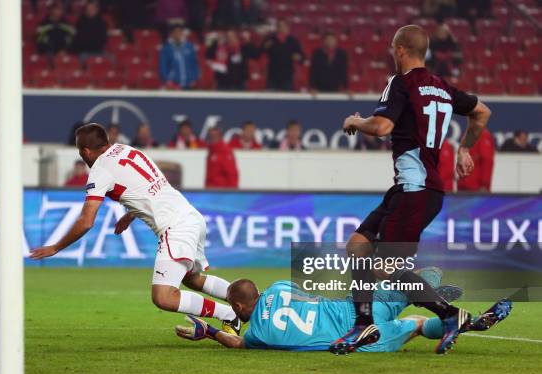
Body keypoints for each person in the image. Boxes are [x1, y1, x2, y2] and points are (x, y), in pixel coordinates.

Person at [339, 25, 492, 354]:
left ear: (400, 50)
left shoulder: (400, 82)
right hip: (412, 189)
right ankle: (364, 324)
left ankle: (449, 315)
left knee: (384, 269)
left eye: (392, 49)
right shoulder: (442, 88)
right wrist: (465, 148)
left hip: (415, 190)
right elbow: (481, 112)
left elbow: (381, 126)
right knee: (358, 246)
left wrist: (355, 121)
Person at [30, 123, 241, 335]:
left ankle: (229, 314)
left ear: (85, 151)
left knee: (163, 296)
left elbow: (86, 221)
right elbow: (149, 185)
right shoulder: (126, 149)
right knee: (191, 278)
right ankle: (253, 301)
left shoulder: (100, 169)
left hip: (175, 227)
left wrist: (56, 247)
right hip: (190, 216)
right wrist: (131, 214)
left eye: (79, 151)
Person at [175, 277, 512, 351]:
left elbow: (237, 345)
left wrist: (209, 331)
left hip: (359, 341)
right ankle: (443, 301)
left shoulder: (257, 335)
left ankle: (463, 323)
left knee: (417, 327)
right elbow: (306, 296)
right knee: (415, 283)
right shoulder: (277, 287)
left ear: (237, 308)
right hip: (360, 309)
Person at [263, 20, 304, 91]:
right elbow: (259, 53)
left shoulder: (293, 41)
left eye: (283, 26)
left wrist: (299, 57)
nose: (281, 28)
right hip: (272, 75)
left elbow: (302, 57)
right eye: (279, 26)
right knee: (270, 99)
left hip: (287, 76)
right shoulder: (270, 39)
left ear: (288, 28)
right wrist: (264, 47)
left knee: (288, 99)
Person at [159, 24, 200, 89]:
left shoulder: (189, 47)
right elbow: (163, 66)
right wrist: (167, 80)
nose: (178, 34)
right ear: (171, 34)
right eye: (175, 32)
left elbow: (195, 64)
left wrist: (194, 78)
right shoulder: (166, 49)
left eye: (180, 32)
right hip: (173, 84)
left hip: (189, 83)